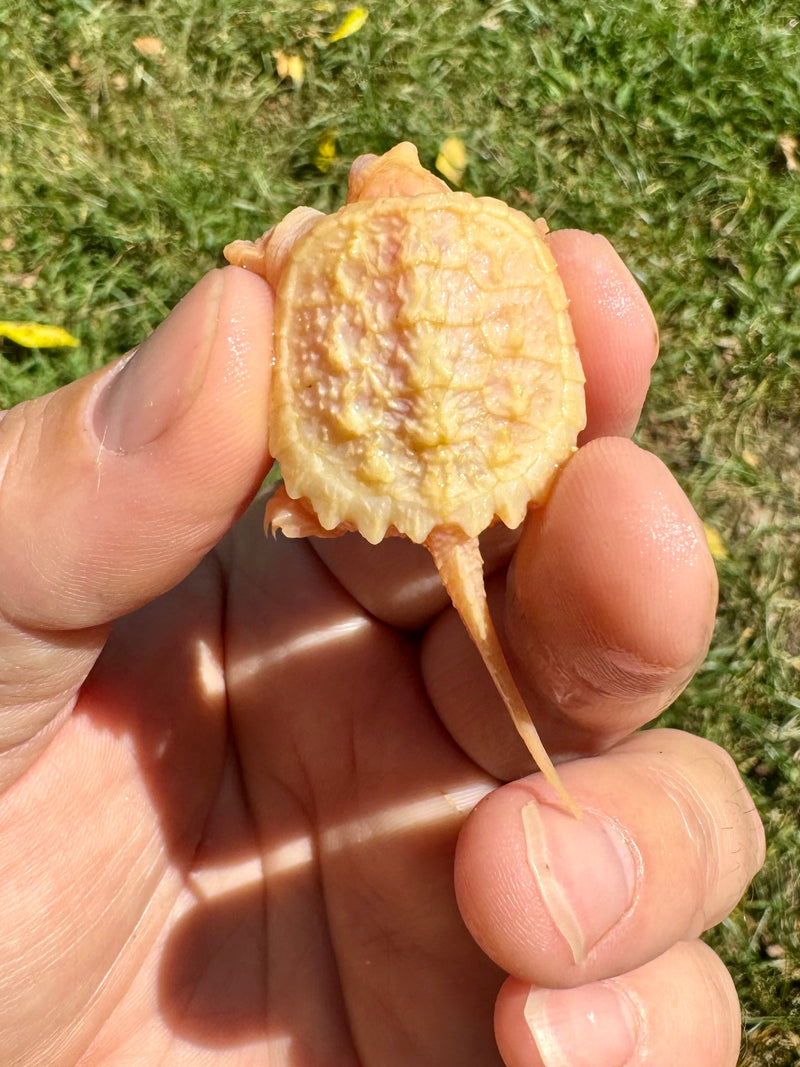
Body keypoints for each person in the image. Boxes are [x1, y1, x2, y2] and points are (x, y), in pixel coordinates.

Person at [0, 229, 764, 1066]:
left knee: (616, 548)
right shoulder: (499, 239)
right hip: (474, 460)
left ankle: (327, 505)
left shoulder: (317, 249)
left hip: (376, 481)